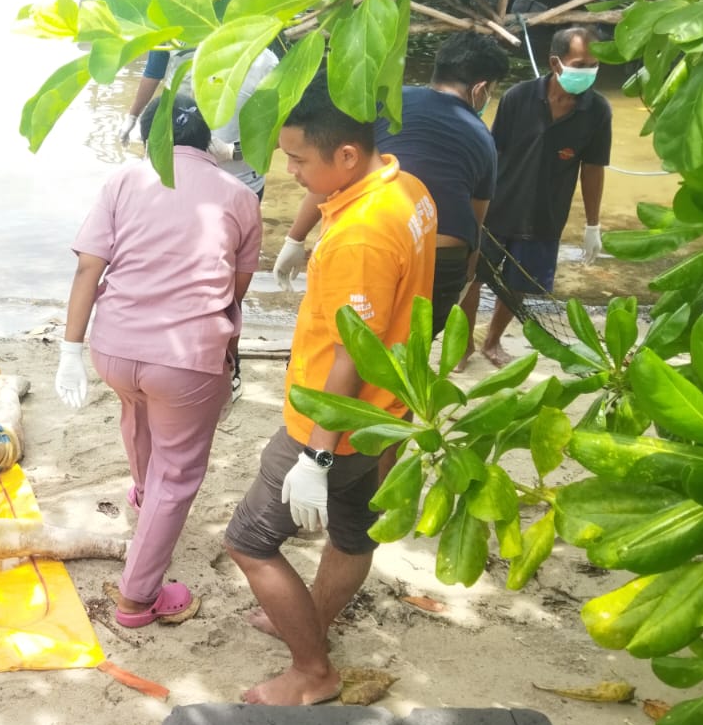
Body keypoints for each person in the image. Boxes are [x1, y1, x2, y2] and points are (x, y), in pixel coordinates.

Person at [223, 76, 436, 706]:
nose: (289, 172)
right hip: (386, 413)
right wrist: (295, 241)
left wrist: (315, 456)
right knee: (352, 534)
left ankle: (312, 671)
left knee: (250, 543)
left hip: (331, 421)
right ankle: (311, 617)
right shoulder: (407, 188)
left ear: (345, 156)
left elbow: (350, 353)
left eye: (298, 160)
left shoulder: (361, 235)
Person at [58, 94, 263, 628]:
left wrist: (71, 350)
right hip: (186, 360)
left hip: (114, 347)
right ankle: (137, 598)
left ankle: (145, 492)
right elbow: (236, 290)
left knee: (136, 410)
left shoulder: (123, 180)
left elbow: (88, 268)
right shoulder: (240, 195)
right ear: (206, 143)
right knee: (180, 472)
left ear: (151, 143)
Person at [271, 32, 509, 336]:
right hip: (442, 256)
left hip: (374, 240)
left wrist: (295, 238)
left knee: (351, 345)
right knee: (403, 353)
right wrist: (463, 280)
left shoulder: (390, 104)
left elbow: (333, 169)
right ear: (481, 90)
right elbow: (475, 222)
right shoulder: (481, 136)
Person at [459, 26, 610, 368]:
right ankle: (465, 344)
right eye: (579, 63)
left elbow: (593, 168)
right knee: (471, 278)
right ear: (556, 63)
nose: (587, 71)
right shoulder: (518, 97)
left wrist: (592, 224)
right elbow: (491, 151)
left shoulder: (597, 110)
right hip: (496, 208)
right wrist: (469, 202)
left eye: (593, 64)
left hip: (546, 215)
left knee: (519, 285)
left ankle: (492, 341)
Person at [119, 47, 278, 200]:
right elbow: (154, 72)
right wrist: (133, 116)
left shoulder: (265, 63)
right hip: (190, 177)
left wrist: (233, 152)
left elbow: (283, 135)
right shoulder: (202, 53)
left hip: (241, 179)